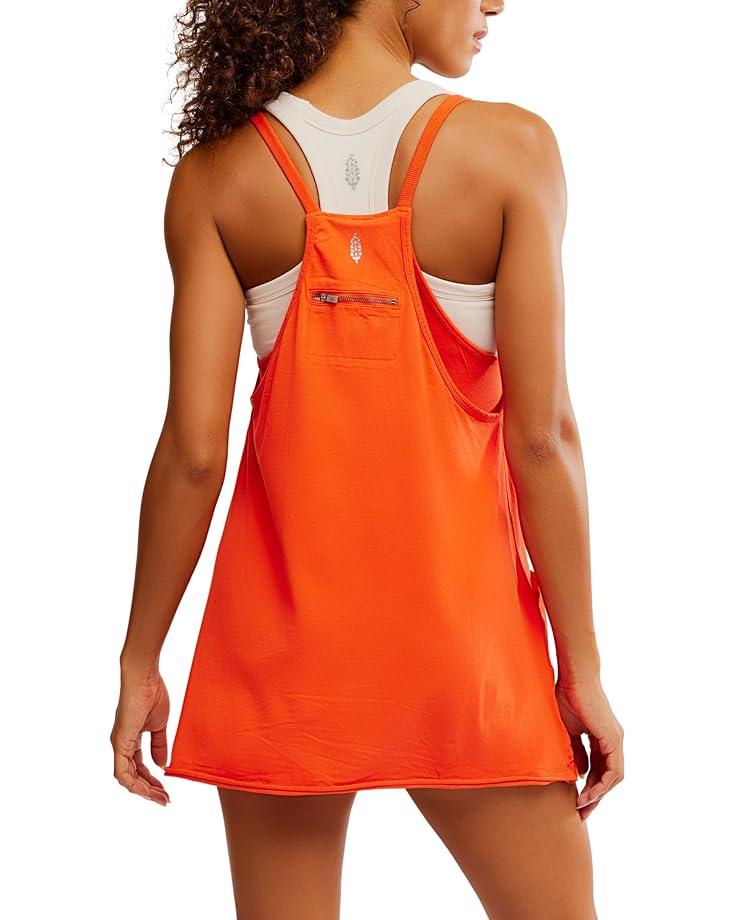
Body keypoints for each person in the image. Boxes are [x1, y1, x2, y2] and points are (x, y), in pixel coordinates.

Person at [111, 1, 624, 917]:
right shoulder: (512, 150)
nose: (497, 3)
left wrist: (139, 660)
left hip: (279, 664)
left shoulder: (217, 177)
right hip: (466, 656)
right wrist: (581, 666)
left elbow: (192, 454)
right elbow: (542, 437)